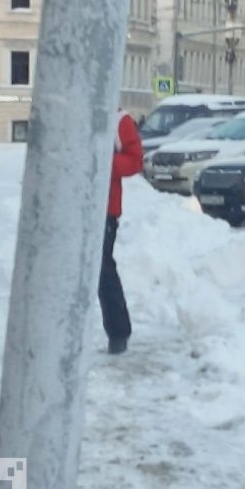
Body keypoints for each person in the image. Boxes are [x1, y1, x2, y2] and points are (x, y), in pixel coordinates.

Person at [100, 108, 143, 355]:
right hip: (68, 209)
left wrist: (103, 161)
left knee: (102, 270)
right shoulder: (68, 111)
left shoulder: (118, 120)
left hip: (104, 210)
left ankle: (118, 333)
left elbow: (135, 160)